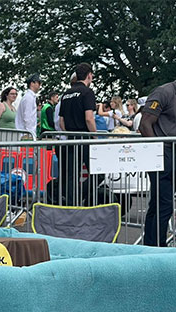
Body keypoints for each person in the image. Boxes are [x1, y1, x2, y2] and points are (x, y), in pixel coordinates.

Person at [138, 78, 176, 246]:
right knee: (164, 204)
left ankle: (150, 246)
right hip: (164, 152)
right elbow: (144, 124)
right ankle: (157, 248)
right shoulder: (164, 92)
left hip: (174, 151)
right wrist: (158, 150)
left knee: (158, 204)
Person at [59, 62, 97, 205]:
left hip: (70, 138)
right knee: (97, 173)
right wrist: (95, 135)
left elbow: (61, 122)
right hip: (85, 138)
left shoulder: (66, 94)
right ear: (89, 75)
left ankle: (71, 204)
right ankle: (82, 196)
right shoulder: (87, 92)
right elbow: (89, 118)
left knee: (71, 175)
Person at [15, 73, 41, 138]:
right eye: (38, 83)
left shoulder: (29, 97)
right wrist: (29, 134)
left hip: (27, 133)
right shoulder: (29, 97)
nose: (40, 85)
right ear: (32, 83)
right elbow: (27, 117)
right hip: (27, 134)